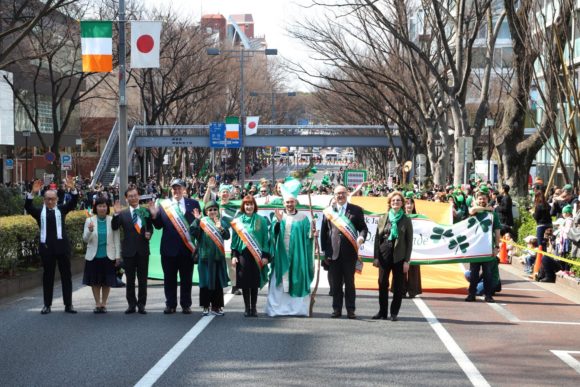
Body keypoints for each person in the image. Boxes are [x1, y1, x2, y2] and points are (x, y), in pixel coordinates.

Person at [25, 178, 79, 315]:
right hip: (47, 249)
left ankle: (69, 304)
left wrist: (72, 190)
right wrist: (32, 193)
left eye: (52, 199)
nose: (50, 201)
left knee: (66, 276)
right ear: (44, 200)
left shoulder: (62, 209)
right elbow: (28, 207)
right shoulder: (39, 212)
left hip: (62, 248)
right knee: (47, 277)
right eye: (47, 199)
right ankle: (47, 305)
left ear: (56, 199)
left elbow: (73, 202)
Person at [151, 178, 200, 314]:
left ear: (184, 189)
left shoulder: (193, 204)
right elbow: (159, 226)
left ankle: (186, 304)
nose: (176, 191)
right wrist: (154, 216)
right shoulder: (164, 205)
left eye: (179, 188)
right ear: (171, 190)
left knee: (186, 278)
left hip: (187, 249)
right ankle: (170, 304)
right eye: (174, 188)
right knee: (169, 278)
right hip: (169, 249)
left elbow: (198, 226)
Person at [265, 181, 315, 317]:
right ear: (283, 203)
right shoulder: (278, 218)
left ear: (296, 203)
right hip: (281, 256)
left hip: (297, 256)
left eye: (292, 202)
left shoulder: (303, 219)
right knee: (279, 282)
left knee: (297, 279)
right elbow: (273, 235)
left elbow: (308, 237)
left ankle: (298, 310)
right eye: (287, 202)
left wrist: (313, 234)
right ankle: (276, 309)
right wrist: (279, 223)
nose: (289, 205)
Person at [320, 184, 369, 319]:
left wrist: (361, 237)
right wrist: (324, 252)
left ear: (347, 194)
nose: (340, 196)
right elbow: (324, 233)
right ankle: (336, 309)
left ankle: (351, 309)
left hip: (350, 253)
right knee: (335, 284)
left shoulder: (356, 210)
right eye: (337, 194)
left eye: (342, 193)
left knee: (349, 283)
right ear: (334, 196)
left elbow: (364, 228)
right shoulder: (329, 211)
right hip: (333, 253)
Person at [112, 186, 154, 314]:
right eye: (130, 196)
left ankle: (141, 305)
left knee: (142, 279)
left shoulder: (145, 211)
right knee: (130, 280)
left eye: (135, 195)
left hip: (143, 250)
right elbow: (114, 227)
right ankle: (131, 304)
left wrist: (149, 233)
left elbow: (150, 228)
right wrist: (115, 214)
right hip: (129, 251)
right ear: (126, 198)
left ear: (138, 196)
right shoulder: (123, 214)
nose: (133, 198)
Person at [372, 191, 413, 321]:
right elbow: (377, 238)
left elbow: (409, 241)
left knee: (398, 285)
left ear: (402, 203)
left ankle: (394, 312)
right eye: (393, 200)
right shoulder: (384, 217)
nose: (395, 202)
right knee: (382, 282)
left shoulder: (406, 219)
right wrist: (376, 257)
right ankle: (382, 312)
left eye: (398, 200)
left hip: (399, 256)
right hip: (384, 253)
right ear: (390, 203)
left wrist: (407, 260)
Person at [230, 195, 271, 317]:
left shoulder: (261, 220)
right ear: (243, 206)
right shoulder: (238, 221)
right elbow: (235, 240)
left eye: (251, 204)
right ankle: (247, 308)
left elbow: (265, 239)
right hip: (243, 256)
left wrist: (265, 256)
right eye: (247, 204)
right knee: (245, 282)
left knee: (254, 282)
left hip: (257, 256)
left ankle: (254, 308)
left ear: (254, 206)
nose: (249, 206)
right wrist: (234, 255)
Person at [190, 201, 230, 316]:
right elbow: (193, 232)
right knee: (205, 282)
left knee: (217, 284)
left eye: (214, 209)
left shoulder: (221, 222)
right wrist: (197, 220)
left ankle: (216, 307)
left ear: (218, 211)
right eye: (210, 210)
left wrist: (221, 228)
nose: (212, 212)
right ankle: (206, 306)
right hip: (205, 258)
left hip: (218, 258)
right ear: (206, 212)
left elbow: (227, 236)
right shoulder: (202, 222)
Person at [82, 196, 121, 313]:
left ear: (107, 208)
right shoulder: (89, 221)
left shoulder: (111, 220)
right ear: (96, 207)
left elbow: (116, 239)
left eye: (104, 206)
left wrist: (118, 255)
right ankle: (97, 303)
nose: (102, 208)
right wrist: (89, 231)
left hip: (108, 255)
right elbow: (85, 239)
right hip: (93, 256)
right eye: (100, 206)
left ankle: (104, 303)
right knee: (95, 281)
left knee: (106, 281)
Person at [465, 185, 501, 303]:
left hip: (487, 248)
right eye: (480, 198)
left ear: (488, 199)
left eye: (484, 198)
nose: (482, 200)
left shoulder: (493, 215)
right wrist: (487, 209)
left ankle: (489, 295)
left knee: (488, 273)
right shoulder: (475, 212)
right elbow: (472, 210)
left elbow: (497, 231)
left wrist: (497, 247)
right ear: (476, 199)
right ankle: (471, 294)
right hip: (475, 248)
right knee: (474, 273)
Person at [403, 193, 422, 298]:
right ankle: (401, 290)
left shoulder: (419, 218)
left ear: (414, 205)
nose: (408, 205)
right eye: (406, 203)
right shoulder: (399, 217)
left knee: (414, 267)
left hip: (415, 246)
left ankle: (413, 290)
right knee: (401, 268)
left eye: (410, 203)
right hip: (402, 245)